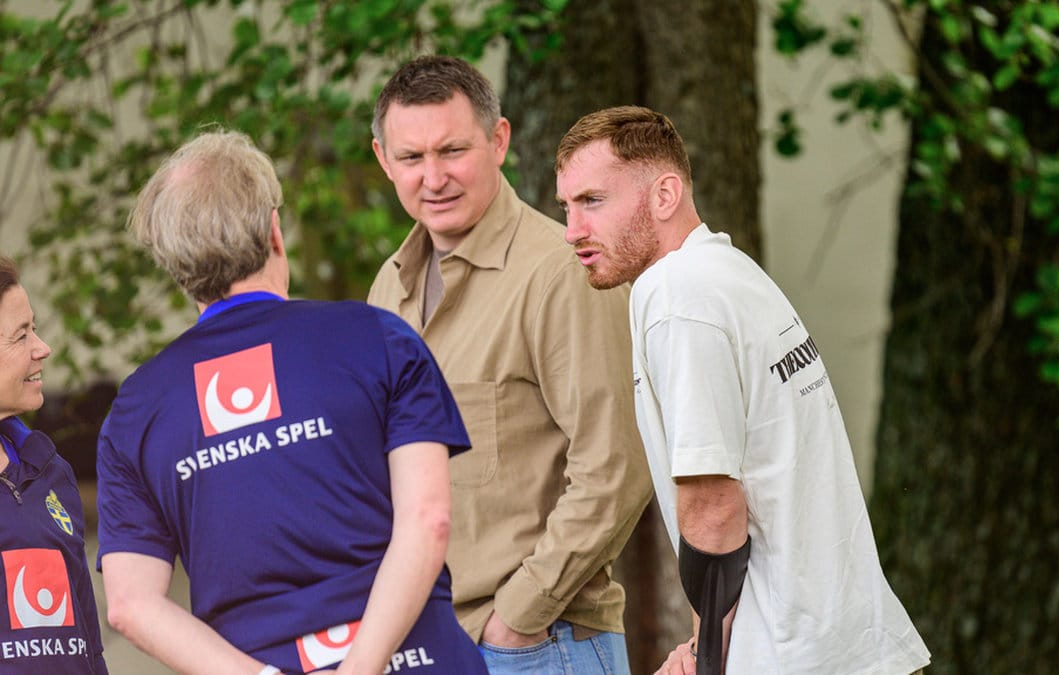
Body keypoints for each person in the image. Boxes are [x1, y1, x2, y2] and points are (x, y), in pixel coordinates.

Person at [555, 106, 932, 675]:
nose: (573, 230)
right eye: (566, 206)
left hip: (789, 654)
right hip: (848, 641)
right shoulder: (731, 271)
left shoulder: (675, 295)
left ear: (664, 195)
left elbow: (713, 503)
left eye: (592, 201)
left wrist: (704, 654)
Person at [95, 130, 487, 675]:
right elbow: (428, 521)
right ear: (273, 230)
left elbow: (131, 603)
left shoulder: (137, 409)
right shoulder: (376, 337)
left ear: (173, 262)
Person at [368, 56, 651, 674]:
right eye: (411, 157)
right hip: (428, 643)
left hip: (538, 647)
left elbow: (617, 464)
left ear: (498, 141)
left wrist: (520, 615)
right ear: (384, 160)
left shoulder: (562, 274)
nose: (434, 177)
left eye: (453, 150)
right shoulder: (389, 288)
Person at [0, 257, 109, 674]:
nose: (42, 347)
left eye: (35, 329)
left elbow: (90, 648)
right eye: (21, 335)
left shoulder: (50, 470)